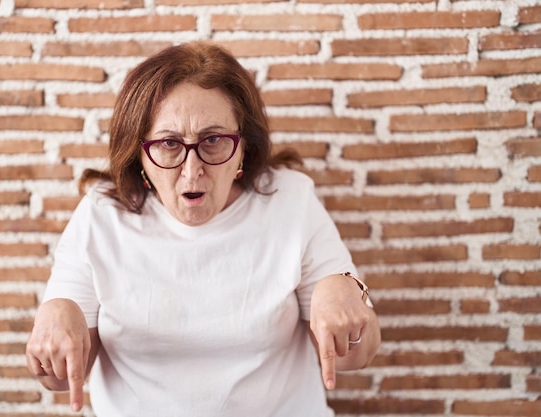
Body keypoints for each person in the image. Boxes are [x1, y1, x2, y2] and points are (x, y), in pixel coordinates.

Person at [25, 41, 380, 417]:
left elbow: (355, 357)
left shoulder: (292, 200)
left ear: (243, 147)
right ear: (140, 153)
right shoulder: (101, 215)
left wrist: (343, 294)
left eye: (213, 141)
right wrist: (57, 315)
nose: (192, 171)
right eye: (168, 144)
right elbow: (60, 379)